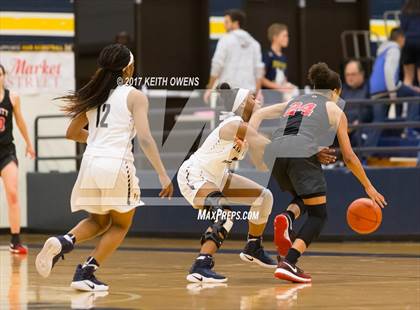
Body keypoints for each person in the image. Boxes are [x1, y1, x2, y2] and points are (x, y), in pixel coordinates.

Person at [35, 44, 173, 291]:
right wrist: (163, 174)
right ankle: (86, 271)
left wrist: (98, 138)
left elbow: (72, 133)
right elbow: (145, 138)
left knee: (98, 221)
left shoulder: (93, 94)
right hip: (117, 164)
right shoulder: (134, 96)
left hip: (90, 163)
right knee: (120, 224)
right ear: (128, 68)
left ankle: (64, 240)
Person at [249, 62, 387, 283]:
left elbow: (259, 114)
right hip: (299, 154)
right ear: (335, 92)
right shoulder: (335, 108)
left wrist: (250, 140)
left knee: (305, 198)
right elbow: (349, 156)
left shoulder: (294, 102)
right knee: (319, 215)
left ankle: (287, 217)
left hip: (275, 152)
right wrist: (368, 186)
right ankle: (289, 263)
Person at [179, 83, 279, 283]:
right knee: (225, 215)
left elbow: (261, 164)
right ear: (242, 104)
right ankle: (201, 265)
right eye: (252, 97)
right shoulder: (234, 124)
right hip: (195, 174)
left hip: (218, 176)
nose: (257, 99)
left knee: (263, 197)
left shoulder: (244, 130)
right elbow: (266, 144)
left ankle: (253, 246)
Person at [0, 64, 35, 255]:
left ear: (4, 76)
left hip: (6, 152)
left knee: (12, 193)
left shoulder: (12, 97)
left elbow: (20, 122)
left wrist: (29, 144)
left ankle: (15, 240)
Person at [369, 27, 420, 144]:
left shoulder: (382, 51)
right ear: (401, 38)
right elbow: (388, 71)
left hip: (376, 91)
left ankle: (365, 155)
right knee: (416, 96)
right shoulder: (394, 49)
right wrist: (392, 92)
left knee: (378, 123)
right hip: (387, 89)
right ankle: (409, 129)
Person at [204, 9, 264, 102]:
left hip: (228, 93)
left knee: (225, 117)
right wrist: (257, 92)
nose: (224, 25)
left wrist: (210, 87)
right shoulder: (254, 43)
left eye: (227, 22)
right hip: (248, 94)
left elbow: (217, 64)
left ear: (236, 23)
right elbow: (259, 70)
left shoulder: (225, 40)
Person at [262, 23, 298, 103]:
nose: (287, 38)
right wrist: (280, 87)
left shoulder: (283, 57)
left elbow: (284, 78)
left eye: (287, 36)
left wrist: (288, 86)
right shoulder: (267, 55)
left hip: (280, 98)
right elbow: (261, 79)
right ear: (275, 37)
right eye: (284, 36)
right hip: (268, 98)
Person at [341, 59, 371, 146]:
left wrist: (359, 121)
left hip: (361, 126)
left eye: (353, 74)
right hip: (343, 127)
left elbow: (371, 111)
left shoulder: (369, 88)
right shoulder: (342, 90)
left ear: (362, 74)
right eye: (347, 75)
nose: (350, 77)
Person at [400, 0, 420, 86]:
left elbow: (402, 28)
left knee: (408, 77)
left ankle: (406, 99)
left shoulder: (405, 10)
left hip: (408, 43)